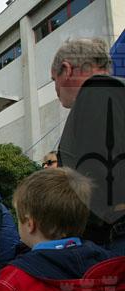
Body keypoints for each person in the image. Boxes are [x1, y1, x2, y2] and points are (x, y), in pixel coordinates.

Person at [52, 38, 124, 254]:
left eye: (54, 79)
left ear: (66, 69)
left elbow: (100, 173)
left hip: (114, 237)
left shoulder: (96, 92)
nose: (55, 89)